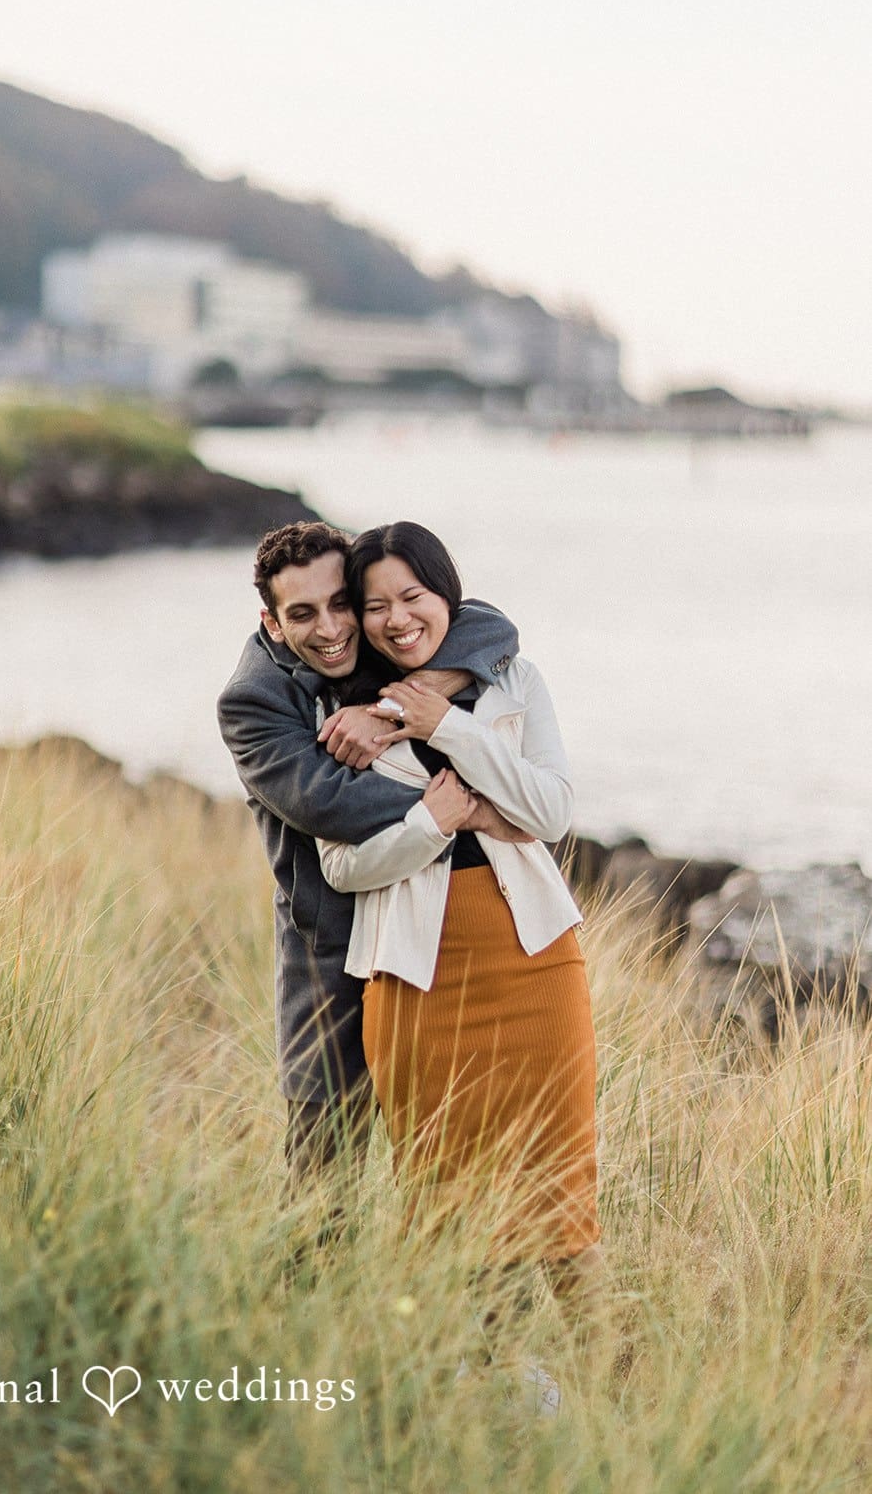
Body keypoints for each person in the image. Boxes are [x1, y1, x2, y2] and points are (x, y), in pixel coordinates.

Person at [314, 522, 602, 1343]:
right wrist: (435, 822)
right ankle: (483, 1394)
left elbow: (548, 812)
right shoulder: (345, 720)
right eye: (375, 607)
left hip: (535, 962)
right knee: (442, 1201)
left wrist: (445, 725)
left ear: (448, 596)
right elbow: (342, 865)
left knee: (562, 1202)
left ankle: (619, 1395)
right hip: (416, 979)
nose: (397, 619)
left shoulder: (512, 680)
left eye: (413, 597)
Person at [216, 521, 528, 1226]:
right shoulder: (252, 700)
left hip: (433, 946)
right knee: (322, 1192)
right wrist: (470, 808)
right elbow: (329, 801)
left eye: (340, 604)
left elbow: (490, 624)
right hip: (332, 966)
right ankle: (312, 1324)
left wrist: (393, 705)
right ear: (269, 619)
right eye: (301, 614)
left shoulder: (382, 648)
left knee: (459, 1168)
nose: (330, 630)